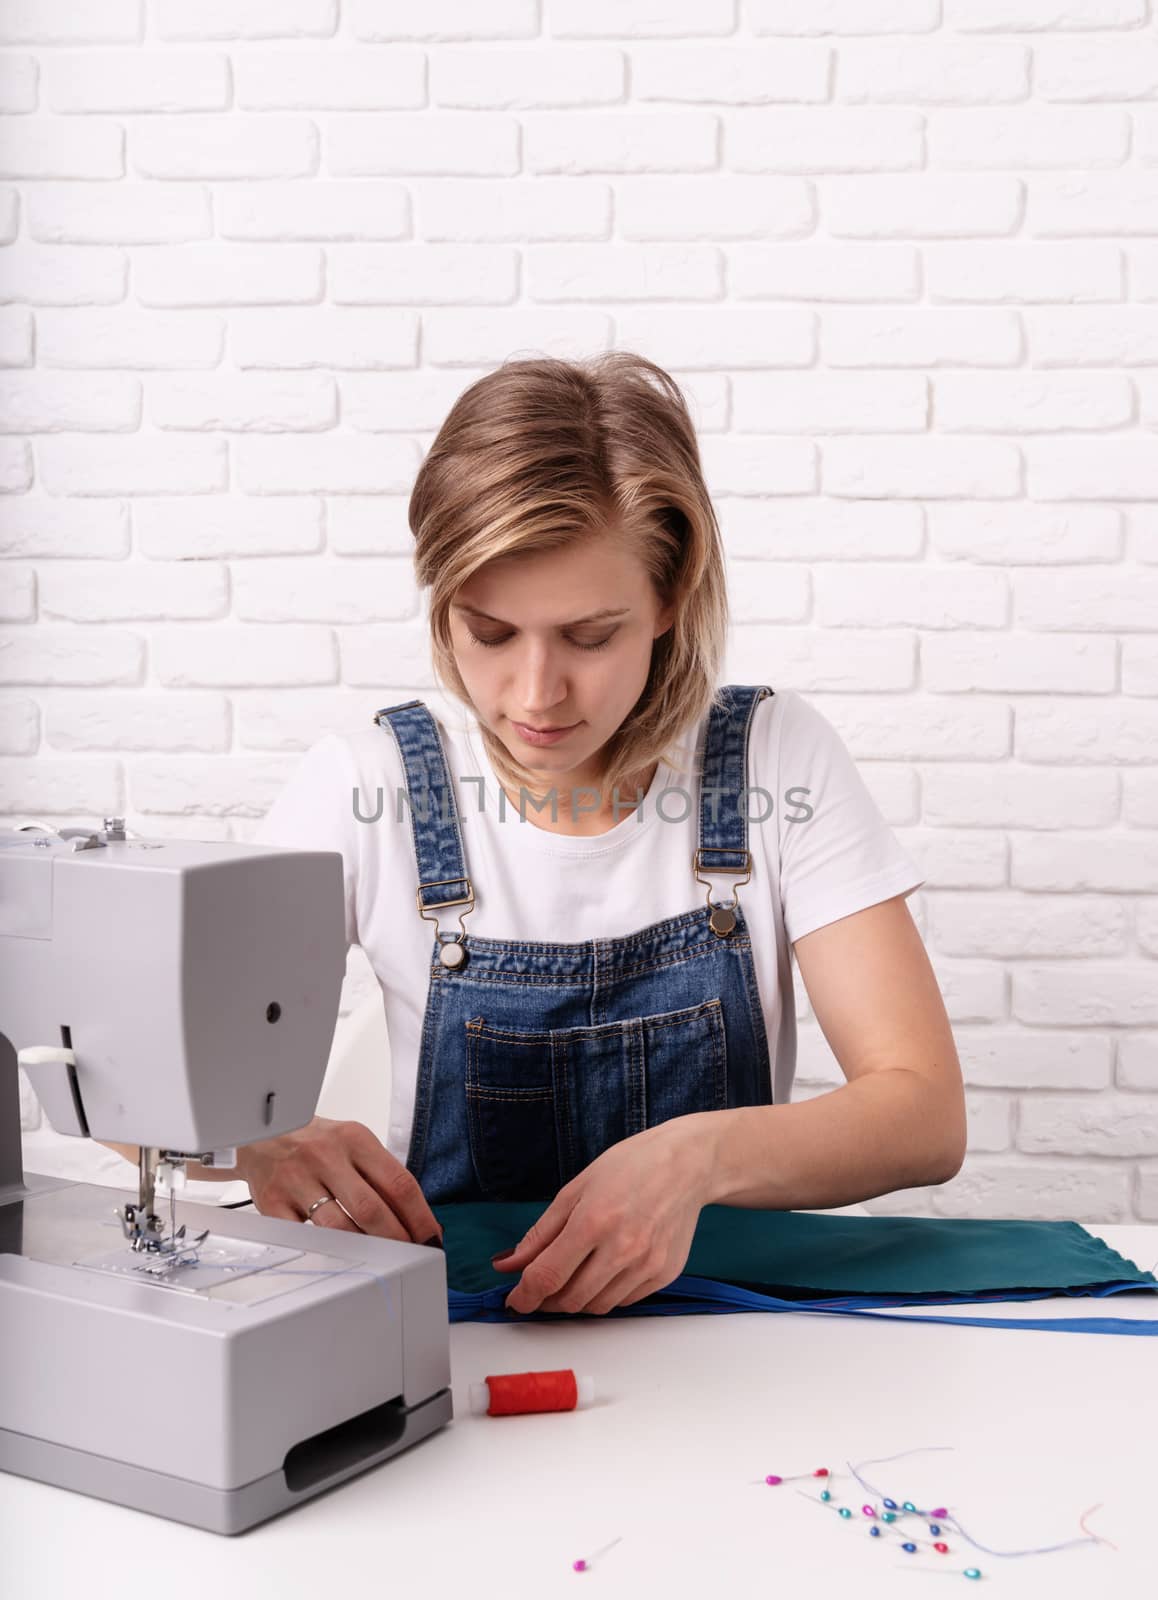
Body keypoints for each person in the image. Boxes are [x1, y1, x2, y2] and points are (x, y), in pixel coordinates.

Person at [174, 353, 969, 1316]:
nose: (535, 694)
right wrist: (257, 1136)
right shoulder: (369, 780)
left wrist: (696, 1158)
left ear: (671, 595)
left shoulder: (773, 759)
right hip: (459, 1329)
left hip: (728, 1323)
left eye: (591, 636)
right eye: (490, 633)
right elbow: (131, 1066)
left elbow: (923, 1112)